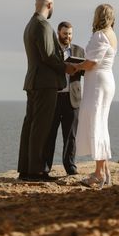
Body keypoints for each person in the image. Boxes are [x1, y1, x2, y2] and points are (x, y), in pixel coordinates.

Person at [17, 0, 76, 182]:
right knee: (40, 128)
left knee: (31, 126)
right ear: (49, 5)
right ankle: (36, 172)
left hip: (33, 82)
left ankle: (25, 169)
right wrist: (66, 67)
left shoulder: (29, 25)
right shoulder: (42, 25)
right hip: (45, 84)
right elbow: (49, 55)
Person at [74, 4, 118, 189]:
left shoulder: (100, 35)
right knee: (100, 123)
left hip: (98, 83)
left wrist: (76, 66)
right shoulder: (112, 35)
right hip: (105, 80)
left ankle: (98, 174)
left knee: (96, 124)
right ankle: (105, 170)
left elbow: (92, 63)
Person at [43, 21, 85, 176]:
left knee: (70, 136)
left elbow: (85, 72)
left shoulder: (79, 51)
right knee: (50, 134)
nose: (68, 36)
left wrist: (78, 68)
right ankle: (45, 167)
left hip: (72, 98)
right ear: (58, 33)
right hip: (54, 97)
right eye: (64, 33)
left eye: (70, 34)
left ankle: (70, 166)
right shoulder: (51, 51)